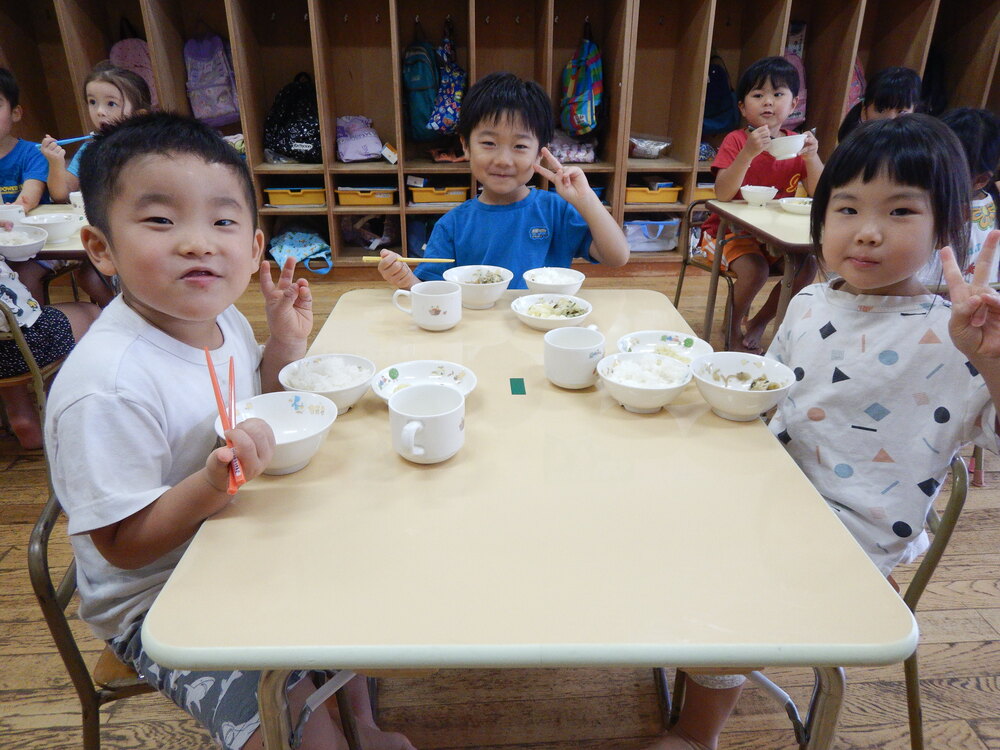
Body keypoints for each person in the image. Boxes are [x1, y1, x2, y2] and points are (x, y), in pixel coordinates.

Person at [44, 112, 416, 750]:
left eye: (222, 221)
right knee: (294, 717)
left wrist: (284, 345)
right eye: (161, 220)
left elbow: (257, 407)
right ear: (101, 247)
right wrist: (214, 483)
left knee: (353, 594)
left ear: (253, 247)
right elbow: (122, 546)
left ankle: (368, 727)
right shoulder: (107, 385)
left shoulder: (223, 322)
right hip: (159, 597)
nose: (198, 242)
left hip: (230, 534)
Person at [646, 114, 1000, 750]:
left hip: (850, 533)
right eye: (846, 208)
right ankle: (663, 634)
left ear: (950, 227)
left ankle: (698, 733)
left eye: (900, 212)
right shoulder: (809, 301)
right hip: (774, 489)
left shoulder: (956, 336)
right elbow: (775, 395)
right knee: (653, 504)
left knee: (724, 578)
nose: (866, 233)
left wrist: (993, 360)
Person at [378, 71, 629, 289]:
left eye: (520, 145)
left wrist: (586, 200)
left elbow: (617, 257)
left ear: (541, 152)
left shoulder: (555, 211)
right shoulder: (452, 225)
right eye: (489, 143)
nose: (503, 160)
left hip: (541, 330)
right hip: (476, 335)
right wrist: (407, 281)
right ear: (466, 146)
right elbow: (431, 292)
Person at [699, 56, 823, 353]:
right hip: (725, 232)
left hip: (775, 234)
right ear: (742, 107)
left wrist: (812, 158)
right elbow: (724, 194)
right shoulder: (736, 140)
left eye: (778, 94)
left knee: (808, 267)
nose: (768, 102)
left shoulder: (797, 143)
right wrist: (748, 153)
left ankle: (759, 321)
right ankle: (731, 325)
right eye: (758, 95)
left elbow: (822, 195)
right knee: (755, 271)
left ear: (794, 105)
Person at [24, 61, 153, 307]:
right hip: (98, 234)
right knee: (90, 276)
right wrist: (55, 162)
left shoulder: (145, 150)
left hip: (135, 235)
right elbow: (62, 194)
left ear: (139, 115)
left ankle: (133, 315)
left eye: (111, 103)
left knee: (96, 276)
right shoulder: (89, 148)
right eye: (92, 102)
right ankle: (120, 317)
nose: (99, 111)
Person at [0, 219, 98, 449]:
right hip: (26, 343)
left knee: (6, 336)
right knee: (92, 313)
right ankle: (56, 402)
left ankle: (20, 413)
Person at [920, 108, 1000, 285]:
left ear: (980, 180)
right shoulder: (987, 198)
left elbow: (920, 281)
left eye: (942, 170)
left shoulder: (954, 217)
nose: (928, 175)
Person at [0, 67, 48, 210]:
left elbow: (28, 199)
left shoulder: (34, 153)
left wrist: (9, 214)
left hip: (33, 229)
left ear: (15, 113)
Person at [837, 66, 921, 142]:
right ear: (864, 110)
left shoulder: (919, 148)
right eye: (881, 110)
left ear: (915, 111)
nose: (890, 119)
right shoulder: (853, 144)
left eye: (901, 112)